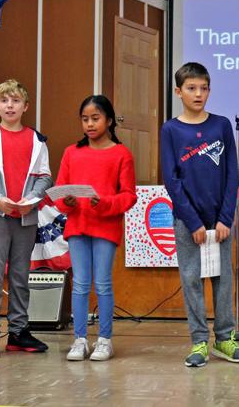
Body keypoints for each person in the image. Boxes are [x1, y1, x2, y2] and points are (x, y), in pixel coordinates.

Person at [161, 62, 239, 367]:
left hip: (220, 220)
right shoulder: (171, 130)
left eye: (204, 88)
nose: (198, 94)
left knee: (222, 280)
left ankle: (224, 339)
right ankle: (199, 341)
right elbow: (171, 180)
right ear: (178, 92)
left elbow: (231, 174)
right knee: (192, 280)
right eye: (191, 88)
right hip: (188, 222)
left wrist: (225, 218)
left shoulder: (221, 125)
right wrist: (193, 222)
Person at [0, 79, 53, 358]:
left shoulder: (37, 140)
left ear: (25, 106)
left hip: (25, 217)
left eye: (15, 101)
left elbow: (45, 177)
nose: (10, 106)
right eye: (4, 100)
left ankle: (18, 331)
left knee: (20, 275)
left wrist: (31, 201)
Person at [56, 95, 137, 361]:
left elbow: (129, 196)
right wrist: (66, 202)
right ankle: (79, 339)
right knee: (80, 284)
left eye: (95, 118)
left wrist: (105, 203)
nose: (89, 124)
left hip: (105, 226)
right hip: (77, 225)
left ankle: (104, 340)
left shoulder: (121, 154)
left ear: (109, 120)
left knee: (102, 283)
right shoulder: (71, 152)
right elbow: (59, 191)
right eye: (85, 119)